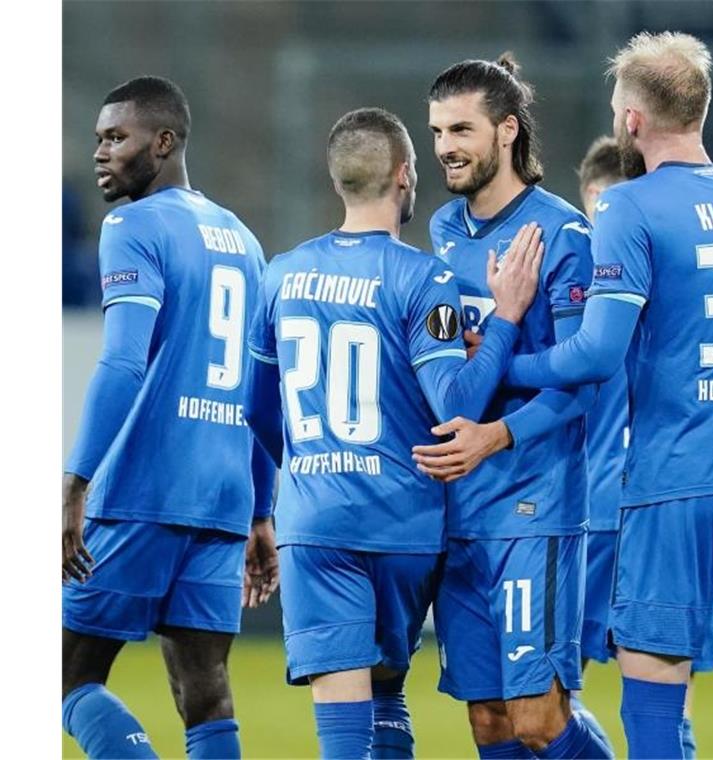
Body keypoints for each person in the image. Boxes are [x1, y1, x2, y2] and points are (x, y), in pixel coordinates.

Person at [504, 32, 713, 758]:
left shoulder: (629, 208)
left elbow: (597, 351)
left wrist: (506, 367)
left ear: (632, 122)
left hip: (679, 480)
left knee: (654, 694)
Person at [242, 107, 545, 760]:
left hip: (317, 524)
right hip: (403, 524)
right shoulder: (423, 277)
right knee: (386, 690)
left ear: (337, 182)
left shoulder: (280, 274)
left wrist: (294, 479)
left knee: (345, 724)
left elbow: (258, 411)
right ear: (406, 177)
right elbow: (457, 403)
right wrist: (506, 321)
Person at [61, 75, 277, 760]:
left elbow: (124, 363)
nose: (101, 153)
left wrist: (74, 483)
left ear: (164, 141)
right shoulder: (244, 239)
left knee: (62, 677)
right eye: (98, 139)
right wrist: (262, 512)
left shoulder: (133, 225)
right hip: (222, 498)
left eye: (116, 138)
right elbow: (261, 387)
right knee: (204, 690)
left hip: (147, 488)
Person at [413, 55, 612, 760]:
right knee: (489, 720)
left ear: (506, 131)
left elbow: (582, 382)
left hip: (535, 505)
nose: (445, 147)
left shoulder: (561, 237)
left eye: (460, 129)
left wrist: (497, 435)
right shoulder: (442, 228)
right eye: (436, 131)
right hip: (460, 510)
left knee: (537, 717)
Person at [572, 135, 713, 759]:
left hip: (594, 509)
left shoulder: (577, 284)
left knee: (554, 694)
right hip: (674, 502)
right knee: (671, 695)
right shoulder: (694, 279)